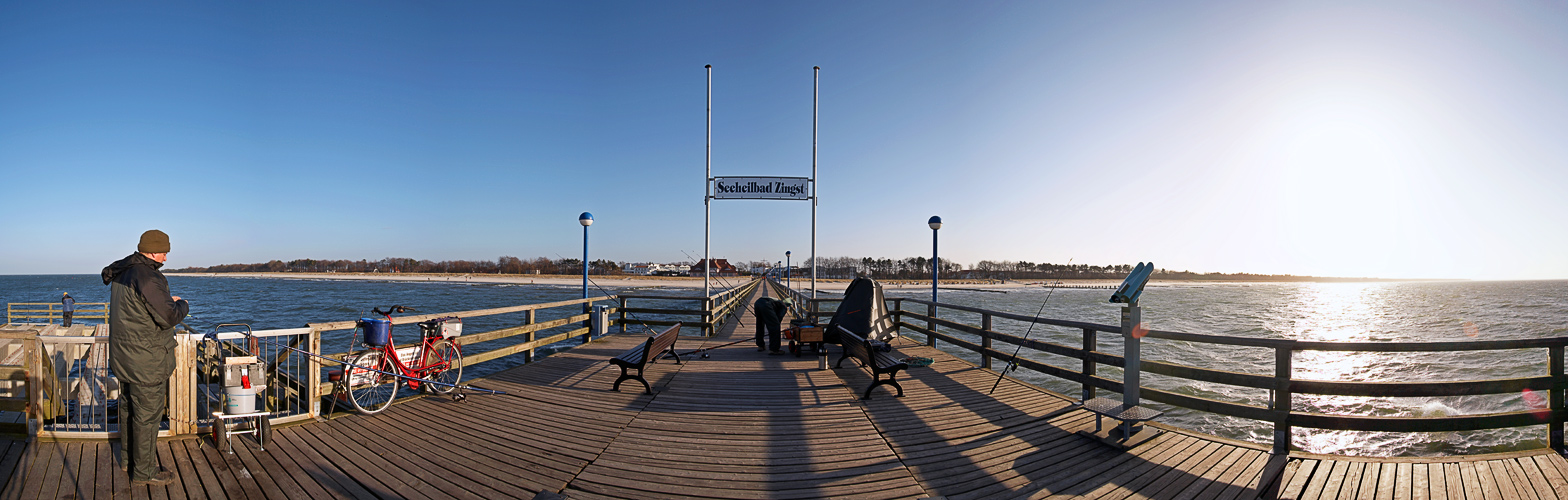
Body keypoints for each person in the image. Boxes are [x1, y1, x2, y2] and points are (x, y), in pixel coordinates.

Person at [102, 229, 188, 486]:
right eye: (164, 251)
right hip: (146, 362)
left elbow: (138, 310)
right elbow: (168, 317)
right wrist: (181, 303)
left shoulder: (123, 272)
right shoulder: (148, 277)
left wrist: (165, 302)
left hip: (125, 358)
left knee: (129, 411)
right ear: (151, 251)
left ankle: (129, 460)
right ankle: (144, 472)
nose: (166, 257)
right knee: (147, 418)